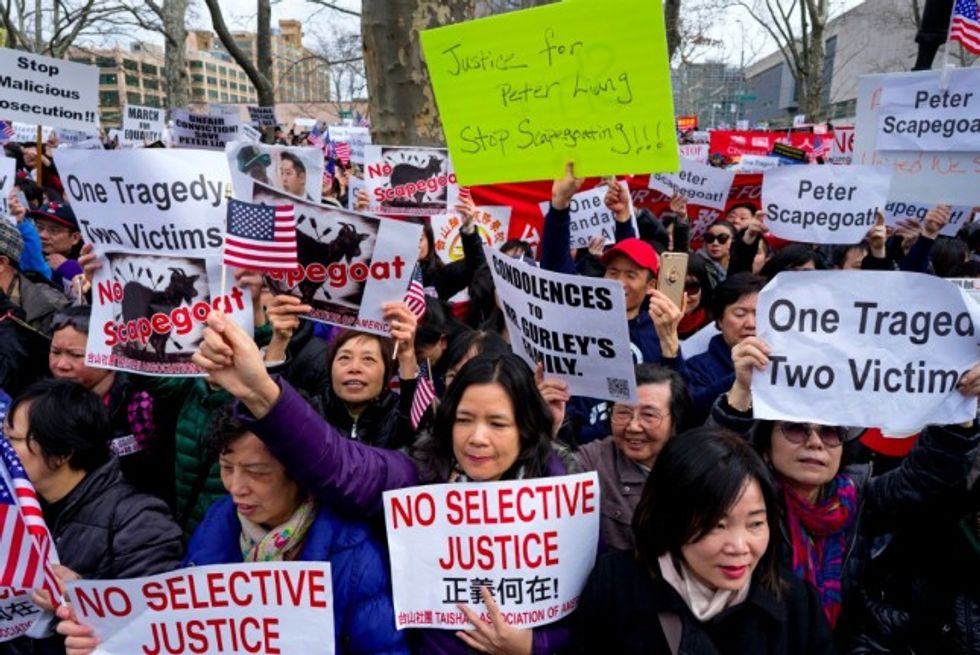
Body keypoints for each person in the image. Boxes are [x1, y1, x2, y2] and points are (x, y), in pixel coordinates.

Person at [191, 311, 577, 654]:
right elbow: (339, 463)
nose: (477, 438)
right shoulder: (419, 477)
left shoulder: (560, 497)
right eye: (464, 419)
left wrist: (533, 645)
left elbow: (586, 611)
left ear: (525, 429)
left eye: (497, 423)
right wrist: (260, 392)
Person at [55, 407, 410, 655]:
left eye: (256, 472)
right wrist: (105, 631)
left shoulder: (354, 555)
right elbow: (179, 628)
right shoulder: (217, 523)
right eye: (227, 468)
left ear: (301, 473)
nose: (236, 488)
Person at [711, 336, 980, 635]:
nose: (815, 442)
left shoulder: (860, 497)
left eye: (831, 433)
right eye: (796, 429)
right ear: (765, 447)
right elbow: (713, 472)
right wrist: (741, 391)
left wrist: (958, 406)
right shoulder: (746, 502)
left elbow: (928, 475)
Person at [569, 427, 835, 654]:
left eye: (755, 524)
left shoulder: (798, 605)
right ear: (671, 518)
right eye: (717, 525)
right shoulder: (615, 585)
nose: (739, 547)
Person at [3, 379, 182, 655]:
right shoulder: (14, 508)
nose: (4, 451)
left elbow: (154, 626)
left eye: (13, 440)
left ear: (61, 453)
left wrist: (82, 594)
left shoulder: (138, 520)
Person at [556, 364, 691, 551]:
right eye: (623, 412)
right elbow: (548, 480)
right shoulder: (594, 461)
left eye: (649, 415)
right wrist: (547, 426)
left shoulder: (696, 464)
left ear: (675, 420)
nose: (633, 426)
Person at [264, 296, 424, 449]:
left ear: (386, 373)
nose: (354, 367)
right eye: (344, 358)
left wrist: (407, 354)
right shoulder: (310, 411)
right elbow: (268, 403)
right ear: (330, 369)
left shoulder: (399, 415)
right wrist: (279, 340)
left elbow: (411, 418)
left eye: (368, 359)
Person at [47, 306, 170, 501]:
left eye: (76, 355)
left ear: (110, 353)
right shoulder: (43, 402)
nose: (61, 365)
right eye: (55, 352)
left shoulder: (140, 404)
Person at [685, 273, 767, 422]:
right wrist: (739, 378)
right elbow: (693, 412)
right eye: (740, 314)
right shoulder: (695, 368)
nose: (751, 324)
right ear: (719, 320)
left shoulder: (784, 366)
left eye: (759, 314)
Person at [27, 202, 82, 293]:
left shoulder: (89, 264)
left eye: (53, 230)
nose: (42, 235)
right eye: (39, 227)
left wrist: (70, 269)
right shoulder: (26, 256)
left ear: (75, 238)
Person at [696, 220, 737, 288]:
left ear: (734, 241)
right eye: (710, 238)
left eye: (722, 238)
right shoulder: (697, 266)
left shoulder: (740, 266)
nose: (715, 243)